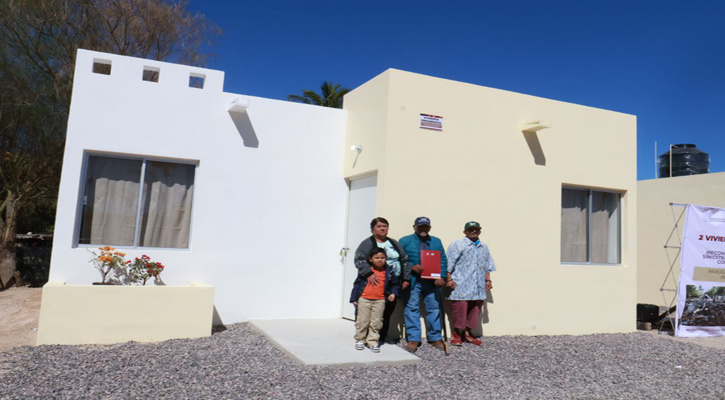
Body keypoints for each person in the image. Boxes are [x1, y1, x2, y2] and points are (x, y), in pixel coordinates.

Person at [354, 217, 410, 344]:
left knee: (386, 312)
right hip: (373, 284)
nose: (383, 228)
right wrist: (368, 273)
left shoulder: (394, 243)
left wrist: (406, 278)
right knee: (366, 314)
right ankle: (362, 339)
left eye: (385, 226)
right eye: (379, 226)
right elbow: (359, 259)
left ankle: (380, 338)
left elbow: (405, 260)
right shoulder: (367, 243)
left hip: (392, 283)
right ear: (373, 229)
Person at [399, 216, 448, 353]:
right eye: (420, 227)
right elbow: (398, 260)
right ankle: (413, 338)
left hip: (432, 282)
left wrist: (442, 276)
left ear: (430, 228)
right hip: (413, 281)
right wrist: (411, 267)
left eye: (426, 226)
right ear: (414, 227)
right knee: (411, 309)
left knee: (433, 308)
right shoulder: (405, 241)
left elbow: (442, 260)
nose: (423, 229)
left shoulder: (437, 242)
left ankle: (435, 337)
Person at [446, 221, 496, 346]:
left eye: (476, 229)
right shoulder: (457, 245)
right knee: (459, 309)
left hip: (478, 286)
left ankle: (468, 333)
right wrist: (448, 279)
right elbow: (448, 265)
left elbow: (487, 265)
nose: (473, 232)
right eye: (470, 230)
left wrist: (488, 280)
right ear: (465, 232)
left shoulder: (484, 247)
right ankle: (457, 333)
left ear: (480, 231)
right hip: (461, 284)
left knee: (475, 310)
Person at [350, 248, 399, 352]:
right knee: (363, 321)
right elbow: (357, 284)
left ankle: (372, 341)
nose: (380, 260)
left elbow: (395, 284)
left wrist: (393, 293)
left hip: (380, 300)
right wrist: (354, 298)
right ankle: (360, 340)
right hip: (364, 299)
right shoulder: (366, 271)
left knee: (376, 322)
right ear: (370, 259)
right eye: (376, 258)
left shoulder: (389, 271)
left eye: (382, 258)